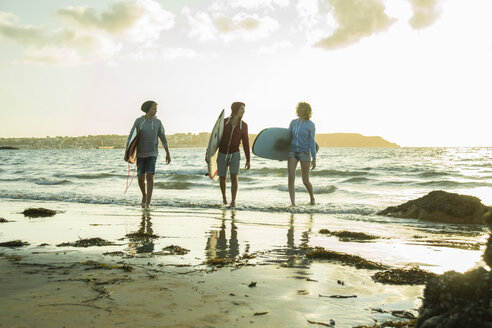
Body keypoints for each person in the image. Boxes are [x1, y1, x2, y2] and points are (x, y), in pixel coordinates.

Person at [127, 100, 171, 209]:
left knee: (149, 176)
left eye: (156, 109)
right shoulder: (138, 121)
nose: (156, 111)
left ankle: (148, 203)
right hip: (140, 154)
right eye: (154, 108)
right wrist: (127, 152)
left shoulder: (158, 123)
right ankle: (144, 195)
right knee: (141, 178)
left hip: (152, 153)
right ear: (148, 109)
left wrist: (167, 153)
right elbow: (131, 136)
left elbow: (163, 138)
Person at [209, 102, 250, 207]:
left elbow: (246, 143)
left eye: (244, 109)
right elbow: (214, 139)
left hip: (235, 154)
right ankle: (224, 198)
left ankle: (233, 201)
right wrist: (208, 154)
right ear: (236, 109)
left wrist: (248, 159)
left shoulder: (243, 126)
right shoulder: (224, 122)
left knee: (234, 177)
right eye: (241, 109)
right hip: (222, 153)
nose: (243, 111)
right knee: (222, 177)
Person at [288, 102, 316, 206]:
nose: (299, 111)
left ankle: (312, 198)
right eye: (299, 109)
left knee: (305, 180)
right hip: (292, 152)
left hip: (304, 152)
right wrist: (281, 153)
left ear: (307, 111)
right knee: (291, 178)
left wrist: (314, 158)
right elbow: (288, 137)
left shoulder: (311, 125)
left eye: (302, 109)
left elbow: (312, 142)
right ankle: (293, 203)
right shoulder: (293, 123)